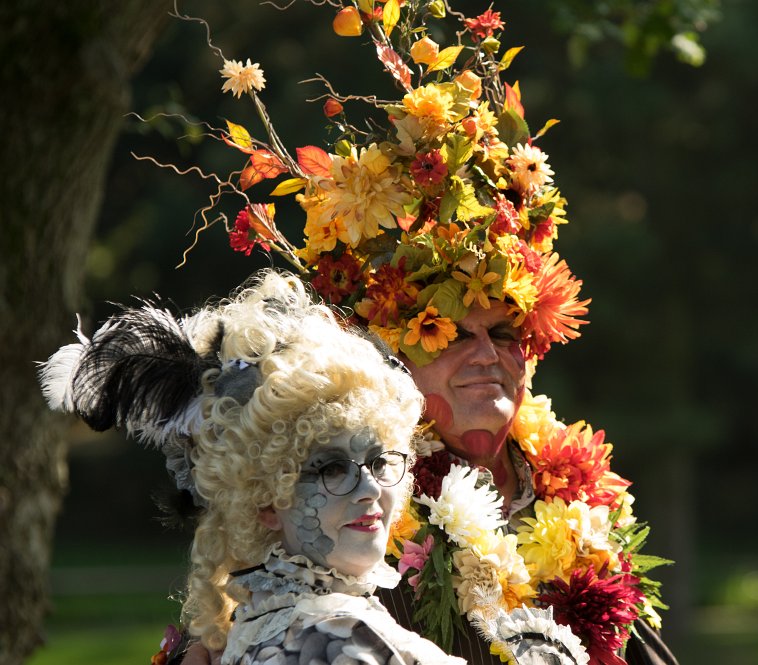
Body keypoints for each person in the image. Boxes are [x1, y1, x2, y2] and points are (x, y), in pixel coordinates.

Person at [145, 3, 680, 663]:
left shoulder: (572, 491)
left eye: (504, 332)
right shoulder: (356, 495)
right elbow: (247, 600)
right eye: (449, 334)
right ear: (388, 354)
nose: (485, 355)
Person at [39, 271, 589, 665]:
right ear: (265, 500)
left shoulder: (266, 621)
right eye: (329, 469)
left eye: (379, 460)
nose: (368, 486)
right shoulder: (342, 638)